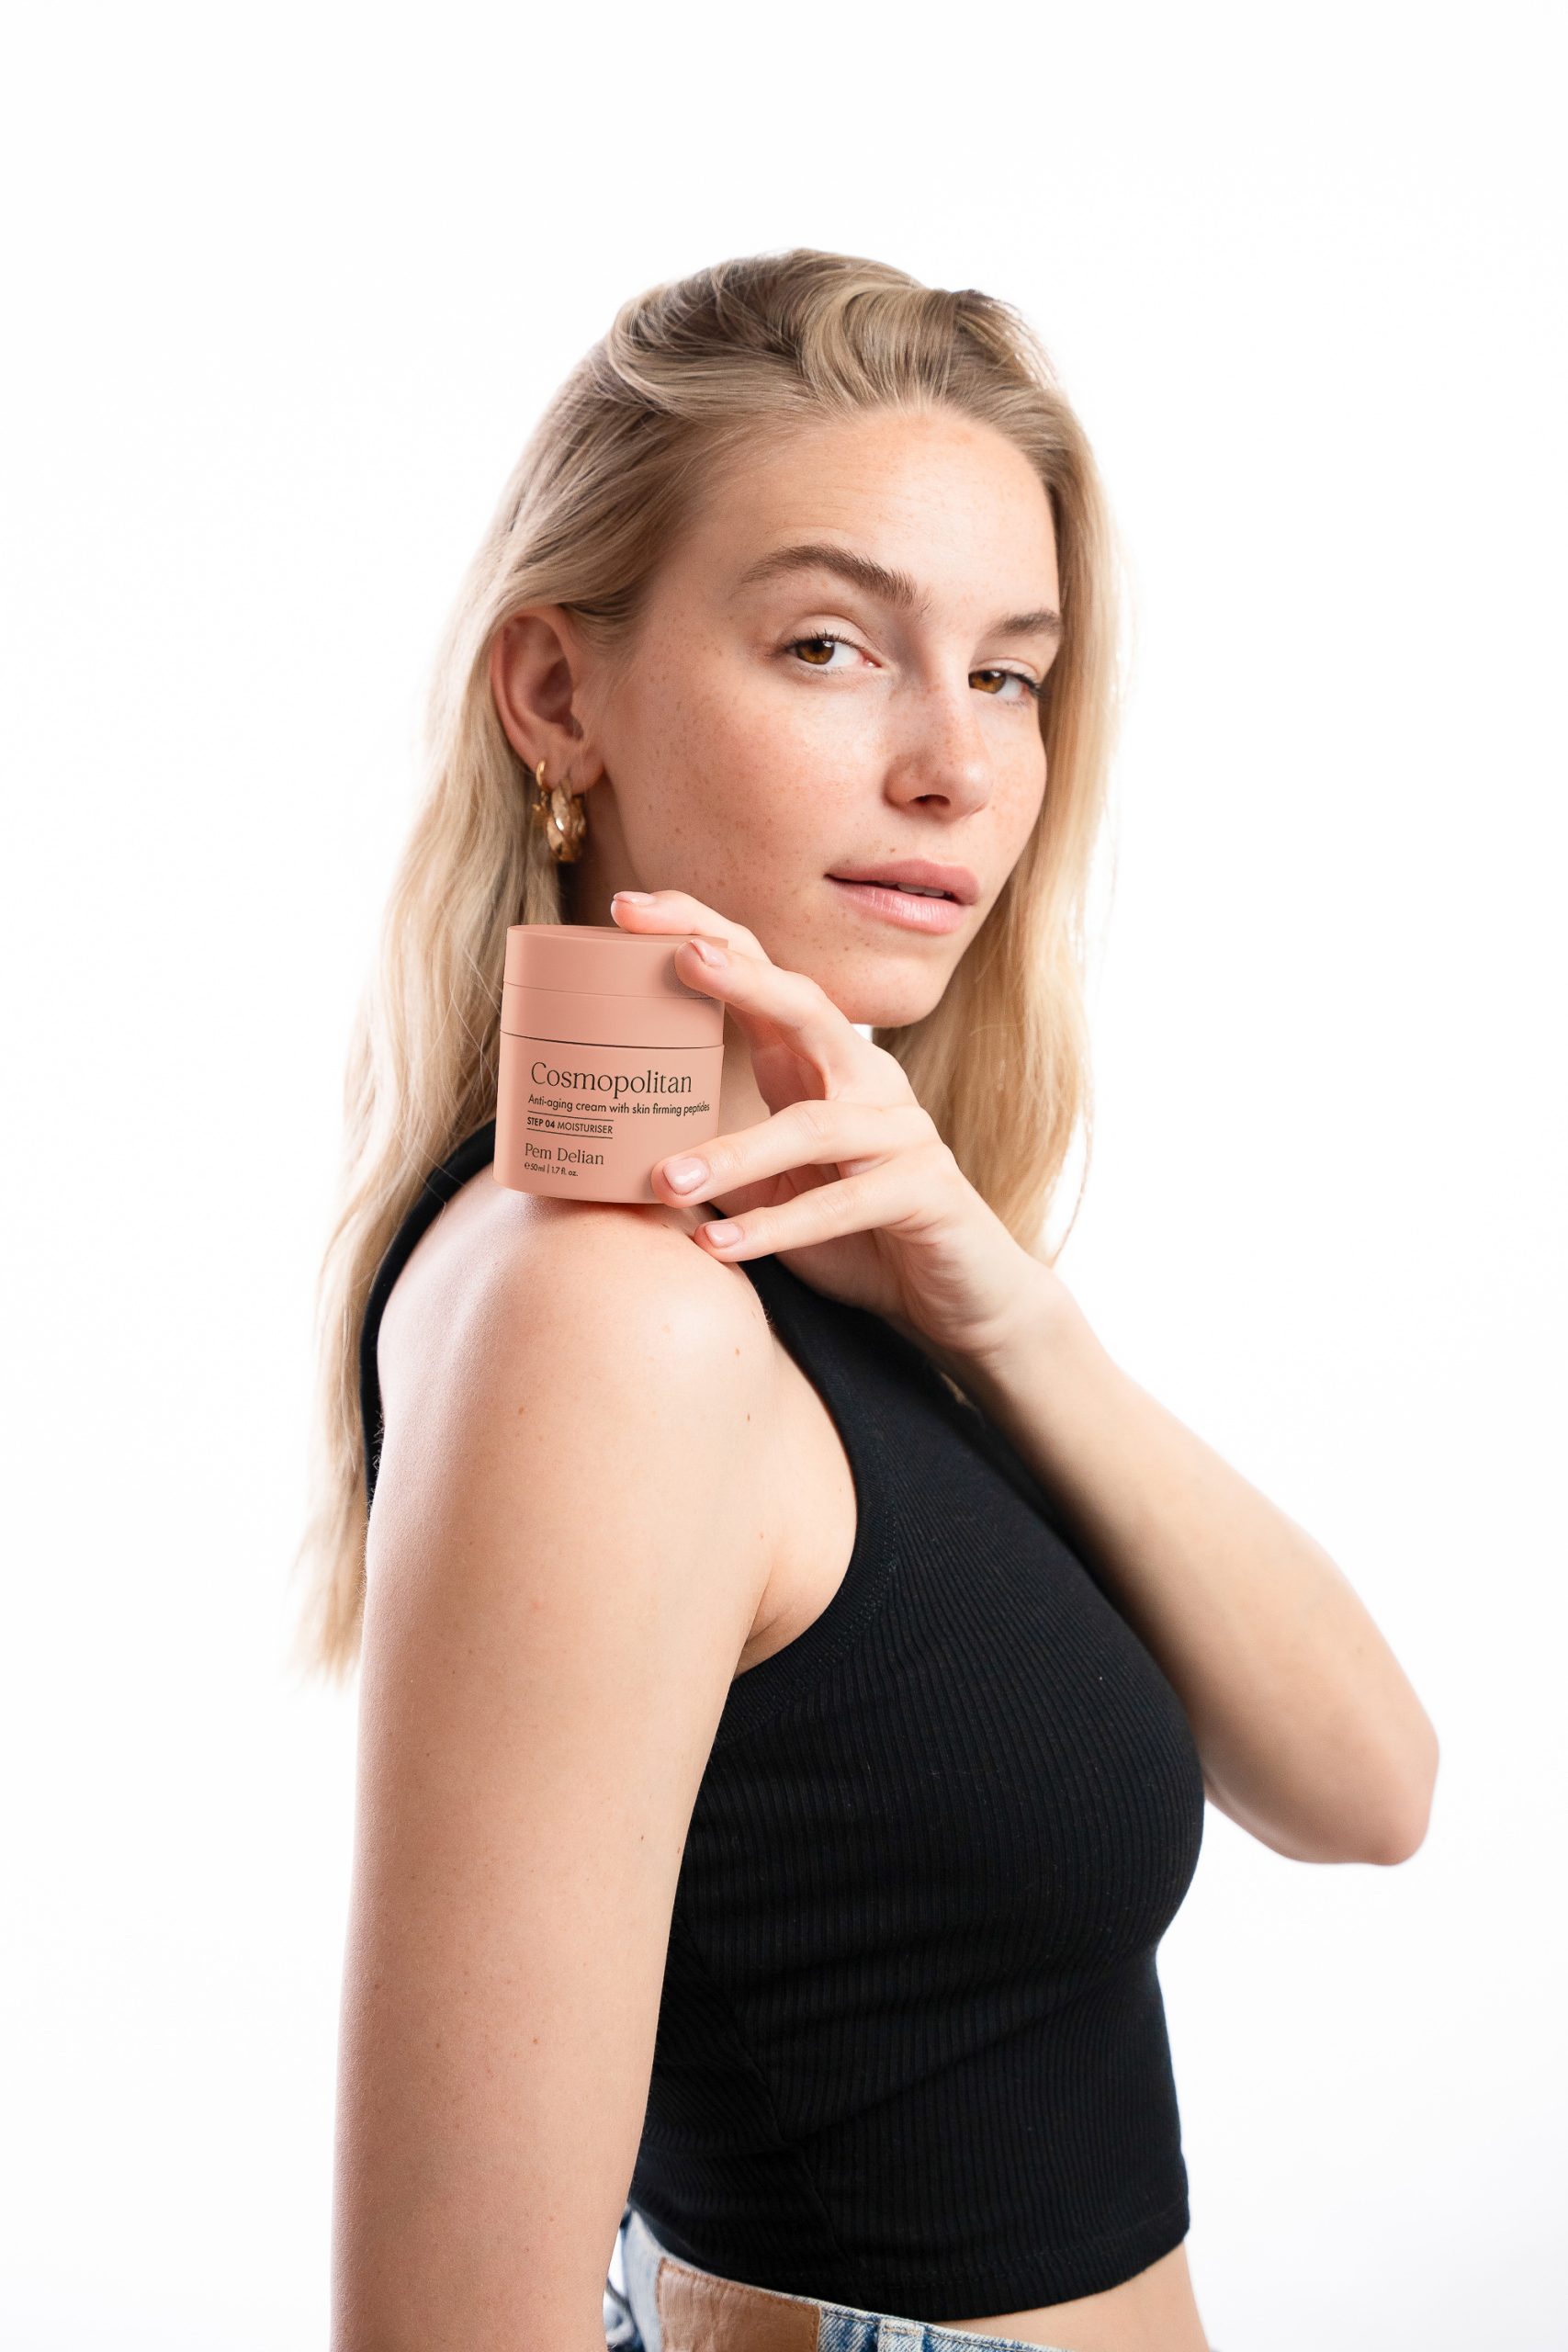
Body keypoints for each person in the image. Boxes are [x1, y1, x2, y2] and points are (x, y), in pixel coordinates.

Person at [289, 249, 1440, 2352]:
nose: (952, 766)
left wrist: (1002, 1314)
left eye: (1007, 672)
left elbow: (1365, 1787)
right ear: (554, 693)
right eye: (830, 644)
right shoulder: (609, 1317)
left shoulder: (812, 1268)